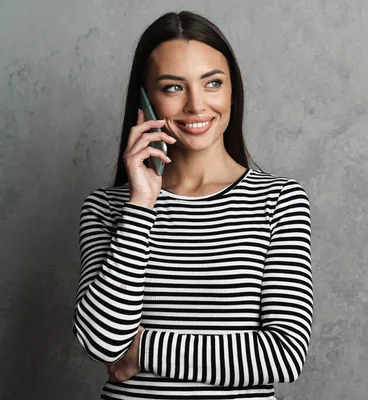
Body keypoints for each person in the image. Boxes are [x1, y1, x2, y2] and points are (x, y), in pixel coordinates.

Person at [72, 11, 313, 399]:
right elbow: (101, 343)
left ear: (232, 89)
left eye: (212, 83)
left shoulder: (279, 201)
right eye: (173, 88)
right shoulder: (105, 209)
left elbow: (283, 356)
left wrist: (140, 349)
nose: (197, 105)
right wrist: (141, 205)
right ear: (145, 98)